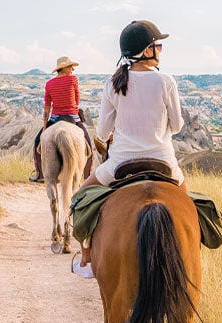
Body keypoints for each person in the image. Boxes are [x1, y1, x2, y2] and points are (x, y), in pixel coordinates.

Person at [73, 20, 186, 278]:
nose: (161, 50)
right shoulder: (166, 81)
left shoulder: (113, 83)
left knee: (80, 196)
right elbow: (177, 126)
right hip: (164, 162)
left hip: (120, 164)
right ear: (147, 50)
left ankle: (87, 258)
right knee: (189, 205)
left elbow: (102, 131)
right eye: (158, 45)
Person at [30, 56, 94, 183]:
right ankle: (87, 176)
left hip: (55, 119)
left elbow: (47, 108)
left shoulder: (49, 84)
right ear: (63, 68)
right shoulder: (73, 80)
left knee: (37, 144)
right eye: (70, 67)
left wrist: (44, 127)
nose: (72, 69)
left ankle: (40, 174)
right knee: (89, 146)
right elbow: (77, 100)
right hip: (72, 117)